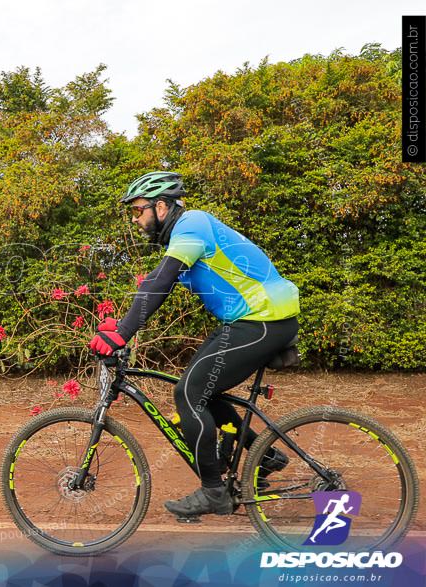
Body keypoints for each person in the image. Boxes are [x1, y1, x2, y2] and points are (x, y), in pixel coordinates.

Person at [88, 171, 299, 517]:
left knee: (188, 394)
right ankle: (264, 457)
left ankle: (213, 492)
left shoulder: (192, 223)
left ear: (161, 206)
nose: (135, 219)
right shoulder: (185, 235)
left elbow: (160, 280)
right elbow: (158, 286)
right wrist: (121, 324)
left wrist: (121, 334)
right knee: (205, 391)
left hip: (261, 319)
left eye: (138, 210)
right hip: (259, 320)